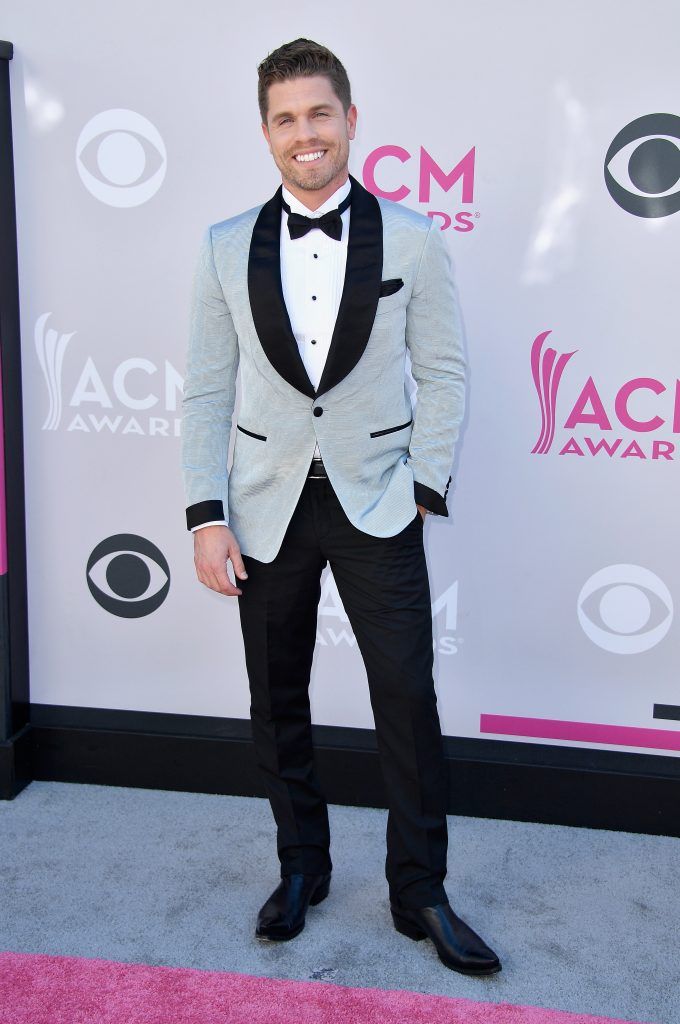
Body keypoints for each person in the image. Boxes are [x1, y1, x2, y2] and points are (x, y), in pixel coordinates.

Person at [181, 37, 501, 976]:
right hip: (265, 505)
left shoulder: (413, 237)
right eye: (286, 119)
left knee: (406, 696)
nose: (304, 133)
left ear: (351, 120)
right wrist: (206, 515)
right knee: (276, 700)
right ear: (266, 133)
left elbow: (442, 372)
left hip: (377, 501)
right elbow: (206, 390)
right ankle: (300, 868)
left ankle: (422, 892)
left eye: (320, 113)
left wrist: (422, 487)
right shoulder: (222, 245)